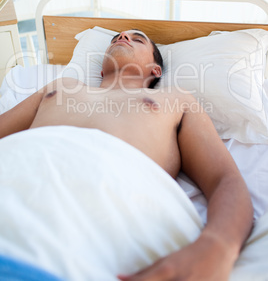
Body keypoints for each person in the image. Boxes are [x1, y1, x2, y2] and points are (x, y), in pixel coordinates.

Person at [0, 29, 253, 280]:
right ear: (100, 69)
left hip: (88, 250)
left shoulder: (175, 99)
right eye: (117, 38)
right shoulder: (61, 86)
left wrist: (218, 245)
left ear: (155, 69)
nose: (123, 37)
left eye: (137, 38)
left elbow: (225, 179)